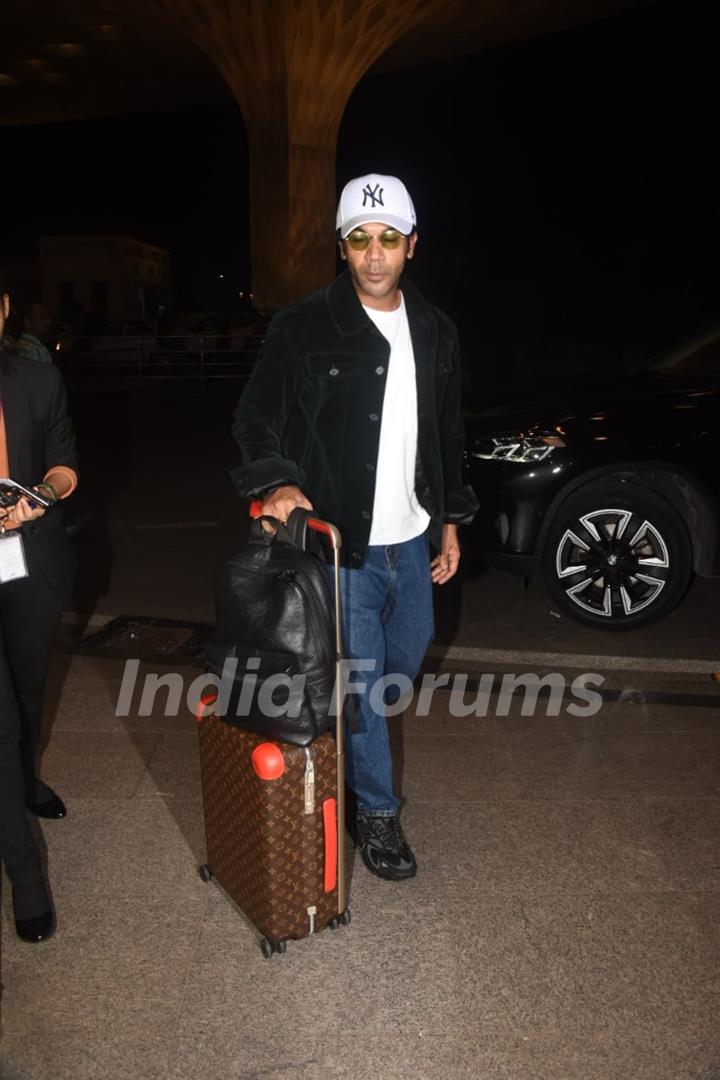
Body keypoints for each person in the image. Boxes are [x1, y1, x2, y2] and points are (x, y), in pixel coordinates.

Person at [231, 174, 477, 881]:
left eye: (389, 239)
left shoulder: (436, 331)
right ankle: (376, 813)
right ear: (342, 248)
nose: (375, 255)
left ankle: (340, 735)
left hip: (413, 538)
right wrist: (278, 481)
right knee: (368, 686)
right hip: (339, 545)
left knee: (403, 663)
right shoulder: (303, 325)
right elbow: (254, 417)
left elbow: (446, 433)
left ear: (412, 245)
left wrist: (452, 522)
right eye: (360, 240)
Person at [0, 277, 79, 942]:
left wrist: (43, 493)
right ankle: (25, 876)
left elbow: (65, 462)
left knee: (27, 693)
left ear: (2, 309)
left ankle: (24, 783)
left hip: (28, 558)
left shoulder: (36, 379)